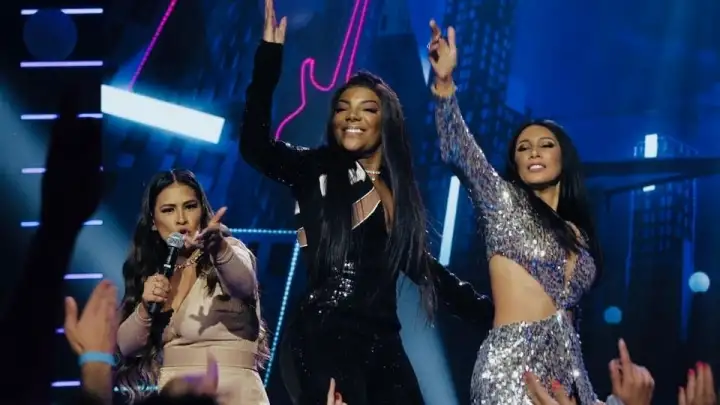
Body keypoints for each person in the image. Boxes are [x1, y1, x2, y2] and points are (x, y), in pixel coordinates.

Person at [239, 1, 494, 404]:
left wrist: (499, 315)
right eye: (342, 108)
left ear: (386, 121)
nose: (351, 116)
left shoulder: (396, 193)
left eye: (366, 109)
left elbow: (428, 271)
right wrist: (268, 59)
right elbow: (255, 146)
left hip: (383, 343)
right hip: (326, 334)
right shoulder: (315, 169)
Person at [427, 20, 603, 404]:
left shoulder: (578, 234)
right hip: (512, 369)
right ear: (517, 164)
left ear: (564, 158)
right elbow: (460, 152)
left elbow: (569, 323)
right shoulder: (503, 202)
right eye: (523, 148)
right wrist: (445, 84)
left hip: (568, 378)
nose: (534, 151)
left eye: (545, 144)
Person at [114, 169, 270, 405]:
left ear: (202, 211)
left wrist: (219, 250)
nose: (181, 219)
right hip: (174, 397)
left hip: (231, 395)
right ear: (154, 222)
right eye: (168, 210)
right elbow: (126, 347)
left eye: (189, 207)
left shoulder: (229, 250)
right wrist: (145, 308)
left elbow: (244, 286)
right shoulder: (159, 273)